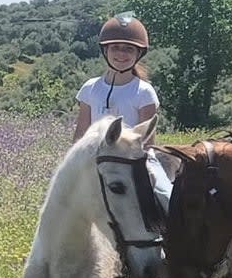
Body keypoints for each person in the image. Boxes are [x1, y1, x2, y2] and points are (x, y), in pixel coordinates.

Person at [73, 12, 171, 207]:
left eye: (128, 49)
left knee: (167, 195)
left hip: (134, 162)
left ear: (138, 54)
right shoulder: (90, 88)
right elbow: (80, 135)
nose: (121, 54)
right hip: (96, 162)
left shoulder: (144, 92)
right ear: (105, 51)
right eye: (115, 48)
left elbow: (147, 143)